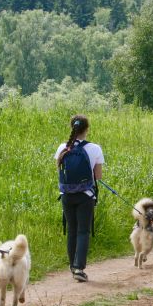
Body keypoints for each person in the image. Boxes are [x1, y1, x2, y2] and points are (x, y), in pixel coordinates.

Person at [54, 115, 104, 283]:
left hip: (66, 195)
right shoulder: (95, 148)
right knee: (83, 231)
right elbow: (98, 176)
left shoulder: (63, 147)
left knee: (72, 231)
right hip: (86, 196)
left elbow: (60, 172)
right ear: (87, 129)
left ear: (72, 127)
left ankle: (72, 266)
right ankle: (78, 268)